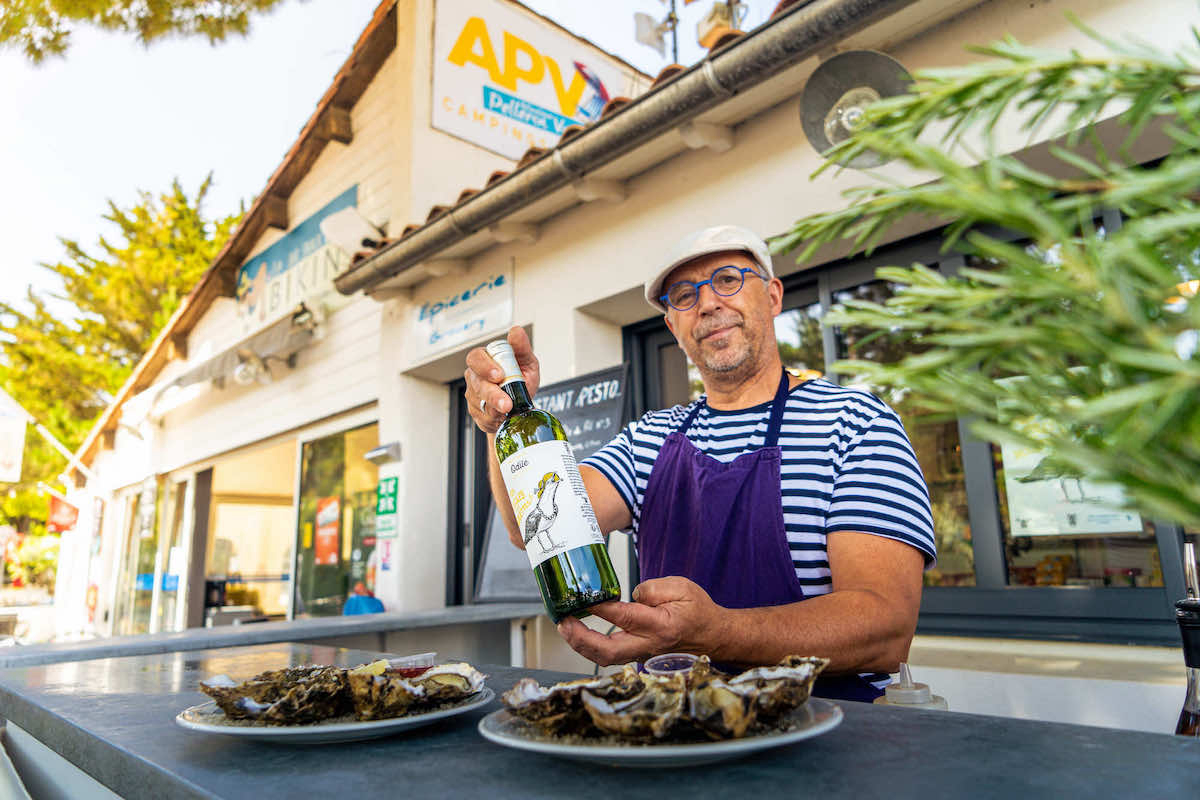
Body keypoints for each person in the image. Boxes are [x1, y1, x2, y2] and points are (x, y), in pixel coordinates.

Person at [464, 225, 935, 701]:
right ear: (672, 326)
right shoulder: (649, 439)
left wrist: (718, 633)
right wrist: (501, 420)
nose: (708, 303)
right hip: (671, 735)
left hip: (824, 742)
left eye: (728, 279)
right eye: (684, 296)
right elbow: (531, 528)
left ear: (772, 297)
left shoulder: (855, 424)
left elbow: (885, 628)